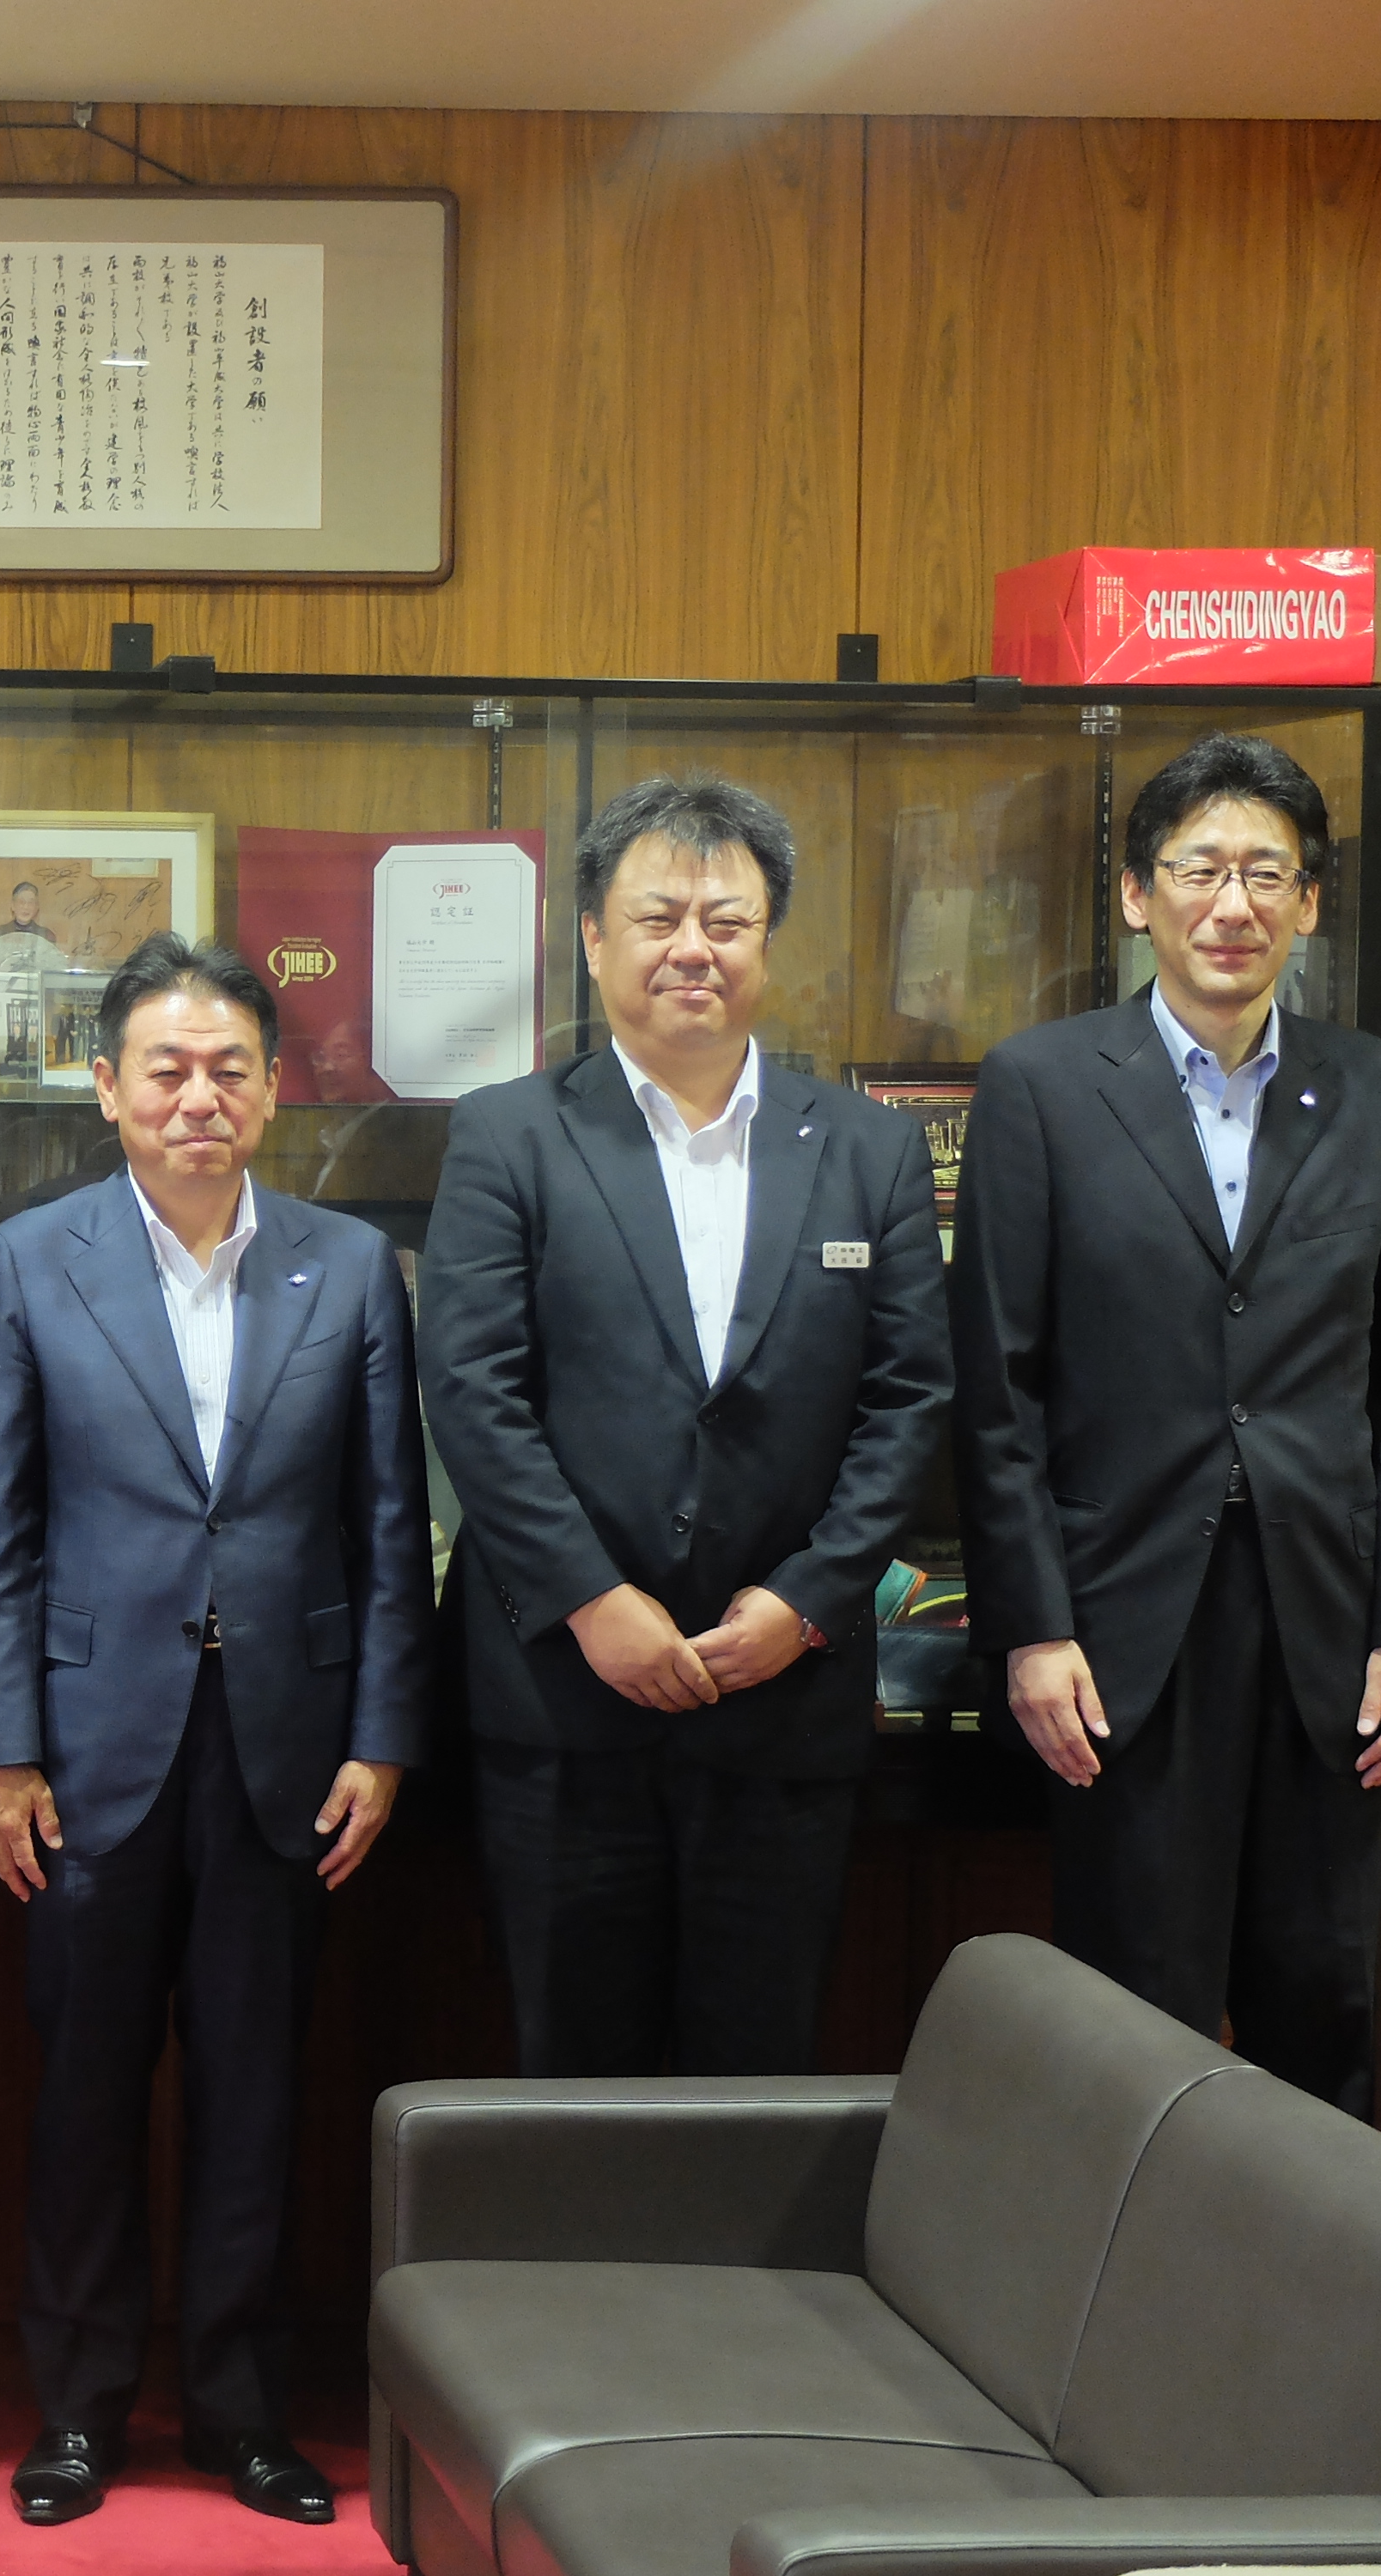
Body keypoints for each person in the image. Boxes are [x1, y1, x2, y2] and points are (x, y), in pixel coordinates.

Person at [0, 934, 429, 2530]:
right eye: (165, 1069)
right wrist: (3, 1750)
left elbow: (387, 1522)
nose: (198, 1097)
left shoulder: (347, 1267)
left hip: (288, 1749)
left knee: (257, 2088)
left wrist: (383, 1735)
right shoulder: (27, 1263)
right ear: (106, 1088)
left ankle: (242, 2411)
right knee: (84, 2089)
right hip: (87, 1746)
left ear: (275, 1090)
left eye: (230, 1068)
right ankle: (79, 2410)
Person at [951, 732, 1381, 2115]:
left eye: (1267, 875)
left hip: (1327, 1633)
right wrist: (1031, 1627)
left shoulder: (1380, 1092)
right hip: (1121, 1632)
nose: (1233, 905)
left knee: (1322, 2008)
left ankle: (1318, 2270)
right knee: (1131, 2018)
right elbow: (997, 1389)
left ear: (1309, 904)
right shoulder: (1041, 1086)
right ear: (1138, 894)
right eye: (1199, 870)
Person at [419, 776, 947, 2076]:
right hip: (564, 1700)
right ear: (594, 937)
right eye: (658, 917)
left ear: (768, 940)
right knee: (573, 2074)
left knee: (758, 2072)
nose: (692, 948)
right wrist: (592, 1601)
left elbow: (910, 1397)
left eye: (727, 919)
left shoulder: (869, 1149)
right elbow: (474, 1389)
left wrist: (809, 1601)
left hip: (785, 1699)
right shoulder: (510, 1136)